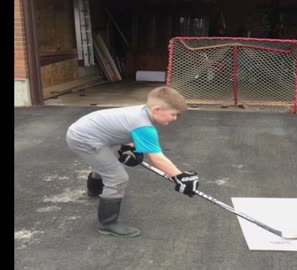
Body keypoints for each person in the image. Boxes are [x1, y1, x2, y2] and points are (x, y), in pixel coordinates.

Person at [66, 86, 200, 238]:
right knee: (117, 178)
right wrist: (181, 177)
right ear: (157, 110)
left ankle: (94, 190)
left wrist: (130, 148)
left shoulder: (143, 112)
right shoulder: (144, 127)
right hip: (83, 138)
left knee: (106, 164)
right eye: (173, 114)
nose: (175, 118)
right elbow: (158, 159)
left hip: (91, 132)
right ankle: (108, 224)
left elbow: (125, 129)